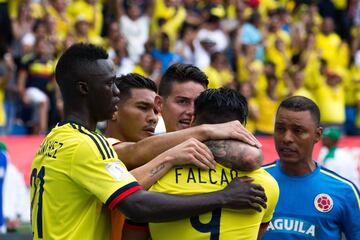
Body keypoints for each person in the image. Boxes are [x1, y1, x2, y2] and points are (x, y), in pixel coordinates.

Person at [30, 43, 267, 240]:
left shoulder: (54, 139)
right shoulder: (88, 145)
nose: (115, 92)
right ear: (84, 89)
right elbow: (137, 203)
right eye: (108, 84)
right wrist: (223, 196)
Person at [106, 73, 263, 239]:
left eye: (197, 104)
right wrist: (206, 131)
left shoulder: (190, 159)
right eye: (182, 101)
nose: (190, 112)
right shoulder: (98, 147)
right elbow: (130, 168)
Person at [263, 96, 360, 239]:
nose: (286, 138)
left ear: (317, 135)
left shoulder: (344, 191)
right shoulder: (255, 181)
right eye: (280, 129)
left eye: (298, 131)